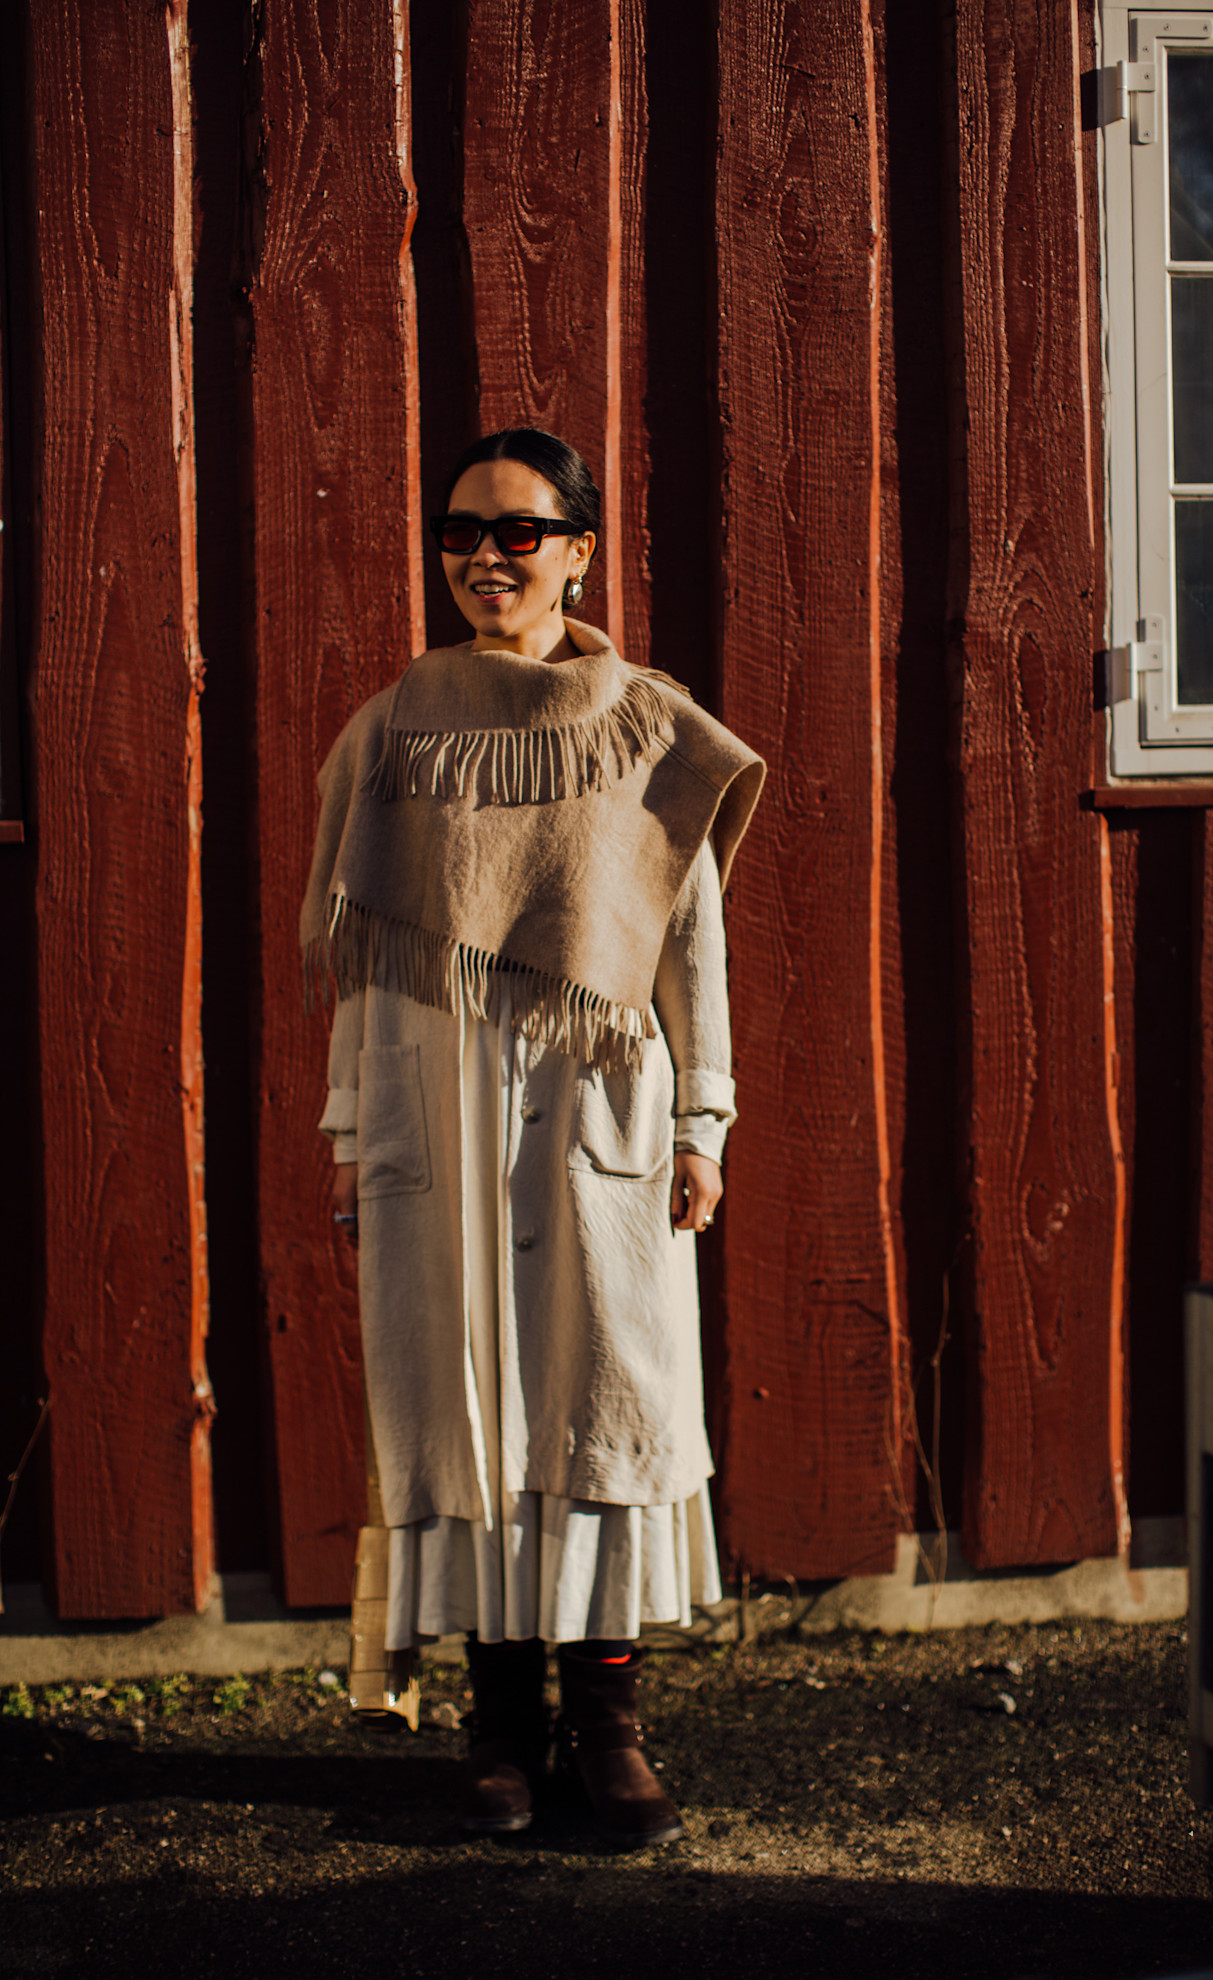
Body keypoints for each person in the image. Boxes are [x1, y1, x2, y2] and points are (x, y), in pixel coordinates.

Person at [301, 428, 764, 1846]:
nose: (485, 558)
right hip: (434, 1115)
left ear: (578, 548)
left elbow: (691, 945)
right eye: (460, 533)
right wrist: (349, 1132)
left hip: (597, 1119)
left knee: (599, 1405)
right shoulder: (388, 732)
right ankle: (500, 1731)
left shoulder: (651, 725)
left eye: (517, 531)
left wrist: (703, 1119)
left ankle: (608, 1727)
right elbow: (366, 955)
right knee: (472, 1413)